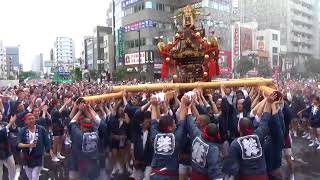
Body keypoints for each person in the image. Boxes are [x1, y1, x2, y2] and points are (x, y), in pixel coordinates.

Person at [223, 93, 277, 180]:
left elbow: (233, 168)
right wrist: (269, 102)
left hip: (246, 176)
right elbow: (265, 119)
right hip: (262, 176)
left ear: (239, 129)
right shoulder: (258, 135)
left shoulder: (235, 144)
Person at [181, 94, 223, 180]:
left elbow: (190, 123)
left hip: (196, 175)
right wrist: (190, 106)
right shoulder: (213, 148)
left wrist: (189, 108)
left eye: (198, 121)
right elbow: (191, 123)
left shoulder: (198, 137)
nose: (196, 121)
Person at [150, 95, 186, 180]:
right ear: (169, 127)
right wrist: (184, 103)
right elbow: (182, 121)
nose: (175, 126)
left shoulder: (156, 135)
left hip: (155, 175)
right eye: (174, 124)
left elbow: (154, 121)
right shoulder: (176, 136)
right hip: (170, 176)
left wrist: (154, 106)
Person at [69, 102, 106, 180]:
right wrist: (88, 110)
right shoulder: (96, 133)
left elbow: (72, 123)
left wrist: (79, 111)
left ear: (81, 127)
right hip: (94, 162)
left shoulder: (79, 135)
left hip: (82, 162)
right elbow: (96, 123)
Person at [17, 113, 52, 180]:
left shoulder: (41, 129)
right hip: (26, 158)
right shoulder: (22, 130)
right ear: (25, 121)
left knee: (34, 176)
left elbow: (47, 141)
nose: (31, 120)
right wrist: (28, 145)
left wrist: (49, 150)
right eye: (29, 119)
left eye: (33, 119)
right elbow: (18, 144)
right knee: (30, 177)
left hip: (37, 157)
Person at [0, 114, 17, 180]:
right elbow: (1, 133)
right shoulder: (7, 124)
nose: (0, 115)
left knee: (12, 167)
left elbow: (14, 130)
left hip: (7, 150)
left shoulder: (4, 124)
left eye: (1, 114)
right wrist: (10, 123)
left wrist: (13, 125)